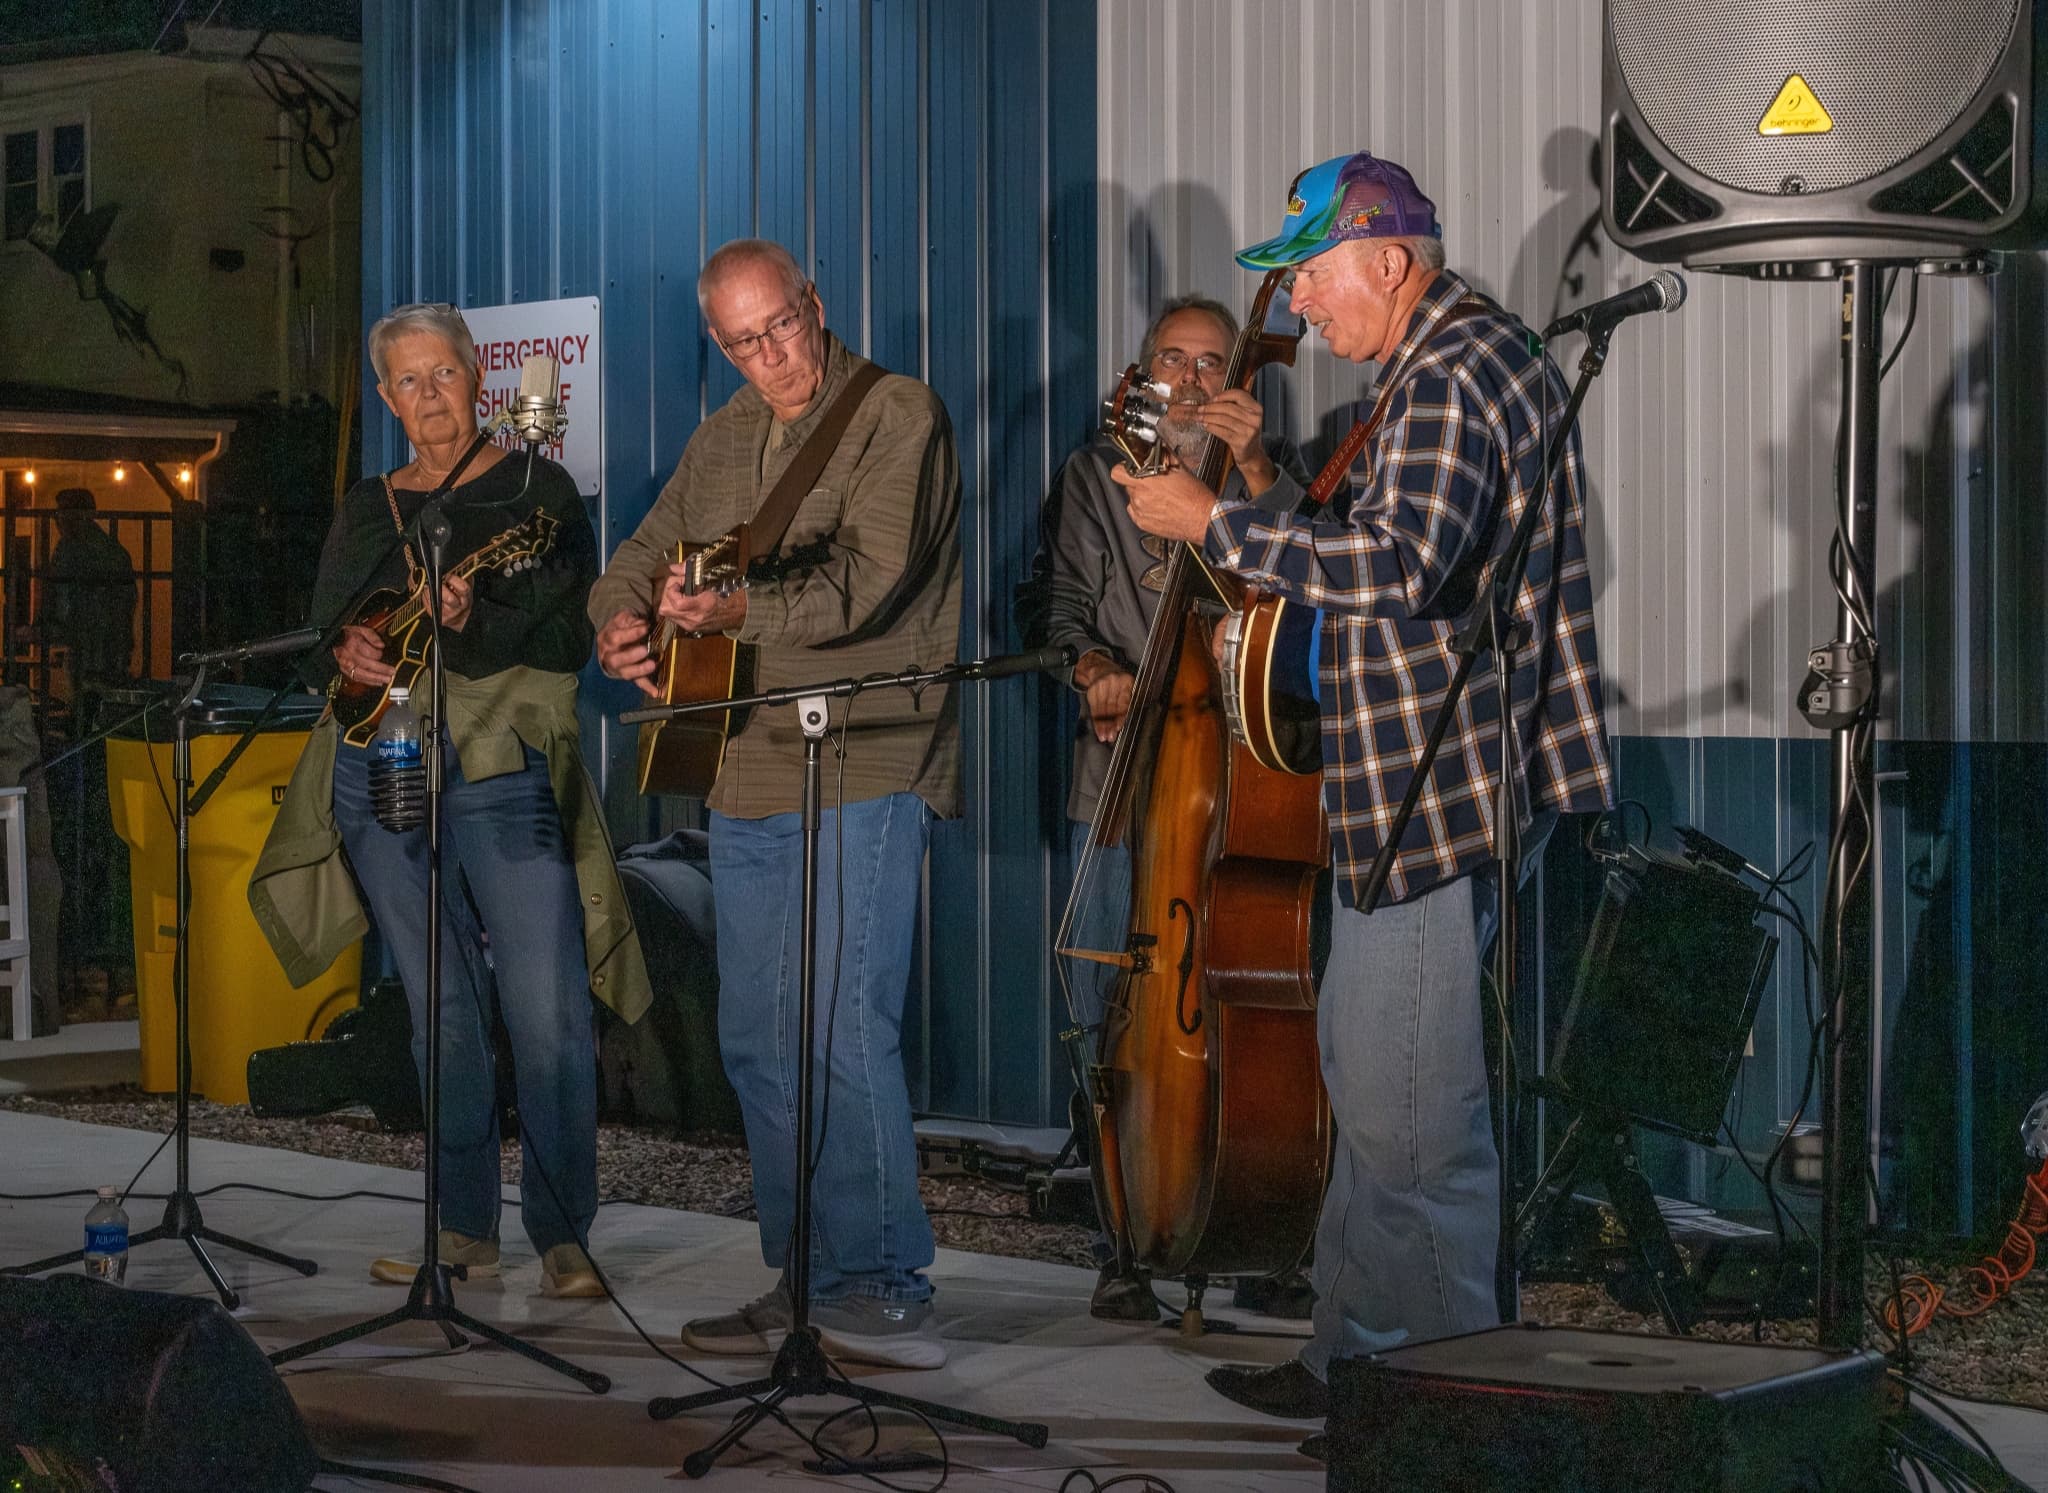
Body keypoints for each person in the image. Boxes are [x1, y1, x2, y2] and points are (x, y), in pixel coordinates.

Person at [1114, 152, 1616, 1442]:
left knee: (1411, 1126)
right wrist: (1266, 481)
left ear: (1389, 261)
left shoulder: (1447, 375)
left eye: (1312, 275)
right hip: (1400, 788)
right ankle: (1351, 1355)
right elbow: (1375, 549)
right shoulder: (1433, 364)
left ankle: (1444, 1412)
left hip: (1433, 795)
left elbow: (1395, 569)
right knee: (1367, 1079)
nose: (1301, 305)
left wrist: (1209, 523)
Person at [590, 239, 961, 1371]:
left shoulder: (899, 413)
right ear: (719, 343)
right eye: (744, 341)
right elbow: (639, 553)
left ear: (814, 302)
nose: (773, 355)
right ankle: (803, 1273)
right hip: (742, 762)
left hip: (865, 758)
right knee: (755, 1036)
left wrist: (727, 609)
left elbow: (867, 579)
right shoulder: (725, 435)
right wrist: (619, 620)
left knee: (843, 1027)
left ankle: (883, 1276)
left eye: (783, 326)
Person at [249, 301, 650, 1300]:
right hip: (375, 769)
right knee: (440, 1011)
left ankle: (564, 1234)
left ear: (478, 378)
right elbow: (321, 642)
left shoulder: (535, 489)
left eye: (444, 374)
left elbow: (563, 646)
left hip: (498, 764)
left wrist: (472, 622)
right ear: (385, 398)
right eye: (407, 381)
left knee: (547, 1005)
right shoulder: (367, 505)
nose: (428, 396)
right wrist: (343, 651)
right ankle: (464, 1228)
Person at [1030, 293, 1312, 1322]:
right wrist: (1093, 666)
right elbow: (1058, 604)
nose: (1190, 380)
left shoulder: (1271, 471)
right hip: (1120, 771)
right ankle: (1124, 1232)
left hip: (1243, 774)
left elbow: (1302, 583)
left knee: (1260, 1002)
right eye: (1171, 360)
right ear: (1139, 371)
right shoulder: (1091, 475)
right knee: (1107, 1001)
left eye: (1209, 362)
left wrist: (1249, 470)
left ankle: (1266, 1225)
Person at [38, 486, 137, 702]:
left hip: (94, 648)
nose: (59, 520)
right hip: (105, 648)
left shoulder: (74, 550)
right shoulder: (108, 550)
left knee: (89, 707)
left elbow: (66, 599)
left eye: (63, 514)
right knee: (99, 711)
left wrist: (50, 628)